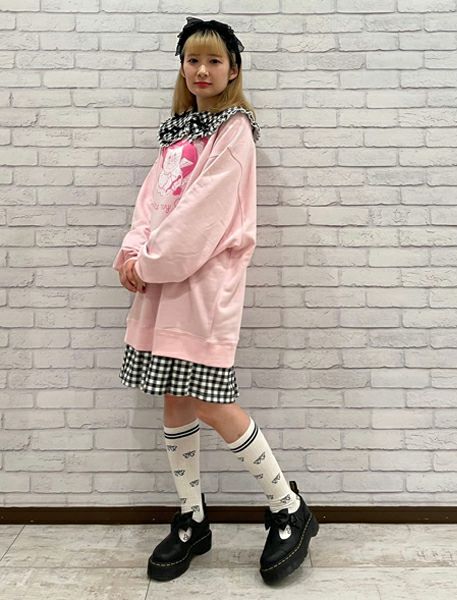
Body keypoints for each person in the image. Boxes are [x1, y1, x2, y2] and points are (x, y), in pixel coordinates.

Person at [112, 16, 319, 585]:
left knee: (209, 399)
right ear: (182, 68)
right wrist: (131, 249)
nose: (202, 70)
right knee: (176, 397)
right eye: (192, 60)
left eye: (214, 61)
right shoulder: (179, 132)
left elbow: (202, 217)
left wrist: (147, 262)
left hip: (202, 286)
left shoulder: (234, 131)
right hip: (162, 284)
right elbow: (151, 203)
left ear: (233, 70)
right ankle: (192, 518)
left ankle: (288, 507)